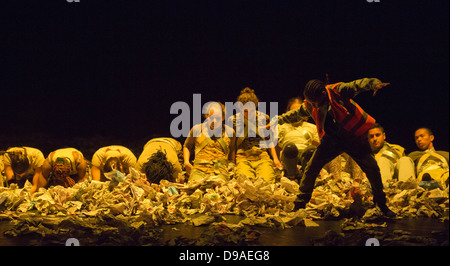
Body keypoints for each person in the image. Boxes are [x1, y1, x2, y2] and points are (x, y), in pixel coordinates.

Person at [272, 78, 395, 217]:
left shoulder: (337, 91)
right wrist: (276, 120)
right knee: (311, 168)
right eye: (310, 102)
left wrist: (373, 83)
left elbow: (356, 85)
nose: (313, 105)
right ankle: (299, 204)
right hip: (332, 140)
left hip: (352, 138)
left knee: (372, 168)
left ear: (323, 93)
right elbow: (295, 114)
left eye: (315, 102)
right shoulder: (312, 104)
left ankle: (382, 205)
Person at [228, 87, 281, 184]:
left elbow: (269, 141)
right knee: (246, 183)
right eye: (245, 111)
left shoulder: (263, 118)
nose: (248, 114)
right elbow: (231, 145)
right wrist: (231, 162)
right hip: (243, 157)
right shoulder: (233, 121)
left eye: (251, 111)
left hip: (261, 156)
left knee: (266, 182)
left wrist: (275, 159)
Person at [184, 101, 236, 183]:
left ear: (223, 117)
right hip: (199, 169)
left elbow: (232, 149)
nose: (214, 121)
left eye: (218, 118)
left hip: (220, 170)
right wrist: (186, 161)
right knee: (194, 189)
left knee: (219, 191)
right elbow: (187, 146)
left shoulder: (229, 132)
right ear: (206, 116)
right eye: (211, 117)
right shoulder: (197, 129)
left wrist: (232, 165)